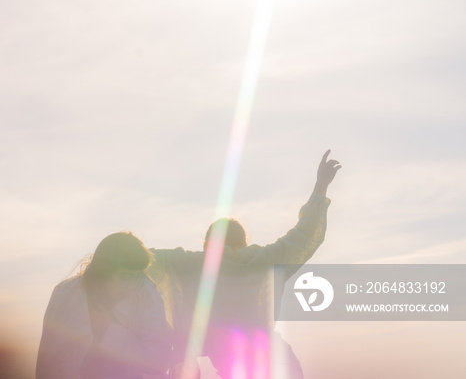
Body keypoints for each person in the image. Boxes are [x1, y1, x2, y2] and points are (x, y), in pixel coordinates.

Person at [147, 149, 341, 378]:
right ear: (245, 242)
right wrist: (321, 185)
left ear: (207, 244)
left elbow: (140, 257)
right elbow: (305, 235)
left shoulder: (189, 264)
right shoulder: (266, 261)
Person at [36, 232, 173, 379]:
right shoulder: (66, 294)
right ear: (104, 272)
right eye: (125, 277)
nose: (132, 286)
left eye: (137, 277)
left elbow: (159, 359)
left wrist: (108, 331)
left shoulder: (146, 294)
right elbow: (48, 360)